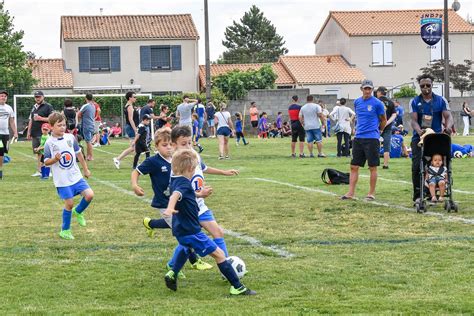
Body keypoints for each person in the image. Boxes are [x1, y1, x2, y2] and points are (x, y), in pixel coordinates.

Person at [162, 148, 256, 295]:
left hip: (180, 228)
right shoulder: (183, 184)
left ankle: (172, 273)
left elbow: (185, 193)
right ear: (190, 168)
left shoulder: (176, 179)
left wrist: (199, 194)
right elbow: (176, 195)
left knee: (186, 248)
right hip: (191, 231)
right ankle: (238, 287)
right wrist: (169, 208)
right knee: (219, 254)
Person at [43, 112, 94, 240]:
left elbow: (79, 154)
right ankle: (65, 230)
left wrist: (86, 169)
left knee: (89, 195)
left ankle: (78, 211)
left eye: (64, 125)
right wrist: (54, 159)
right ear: (51, 127)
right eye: (59, 125)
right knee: (69, 204)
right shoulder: (49, 143)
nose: (62, 127)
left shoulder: (70, 138)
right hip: (62, 180)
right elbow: (46, 162)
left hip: (75, 175)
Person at [410, 73, 453, 203]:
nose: (425, 88)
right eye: (422, 85)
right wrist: (419, 131)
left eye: (428, 85)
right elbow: (413, 120)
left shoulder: (441, 100)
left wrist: (448, 127)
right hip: (420, 137)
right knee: (417, 166)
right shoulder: (415, 101)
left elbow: (448, 116)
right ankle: (418, 195)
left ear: (432, 85)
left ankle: (435, 192)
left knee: (438, 165)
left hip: (437, 137)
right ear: (420, 86)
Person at [341, 79, 387, 201]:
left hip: (372, 138)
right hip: (358, 138)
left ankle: (371, 193)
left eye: (369, 89)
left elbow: (383, 119)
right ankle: (350, 193)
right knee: (354, 166)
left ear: (372, 90)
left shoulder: (377, 103)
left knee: (372, 167)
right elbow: (358, 117)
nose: (367, 91)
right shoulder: (357, 102)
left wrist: (380, 131)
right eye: (365, 88)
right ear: (361, 89)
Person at [27, 90, 54, 177]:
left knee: (46, 152)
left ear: (43, 97)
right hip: (35, 132)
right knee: (38, 152)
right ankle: (39, 170)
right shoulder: (34, 107)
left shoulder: (48, 106)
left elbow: (52, 119)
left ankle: (48, 170)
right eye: (36, 97)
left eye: (39, 97)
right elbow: (31, 120)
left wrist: (41, 118)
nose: (37, 98)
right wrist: (29, 131)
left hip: (44, 133)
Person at [113, 92, 139, 169]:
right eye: (134, 97)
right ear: (129, 98)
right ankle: (118, 159)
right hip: (131, 128)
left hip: (130, 127)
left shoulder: (129, 105)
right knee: (133, 147)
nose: (135, 98)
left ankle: (135, 163)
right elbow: (130, 119)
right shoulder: (129, 107)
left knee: (134, 148)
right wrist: (135, 129)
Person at [376, 86, 397, 169]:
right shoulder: (391, 102)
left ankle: (375, 163)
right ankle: (385, 164)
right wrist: (387, 123)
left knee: (375, 144)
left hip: (377, 126)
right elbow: (394, 114)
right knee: (386, 145)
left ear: (379, 92)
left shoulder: (376, 101)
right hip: (388, 127)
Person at [0, 90, 18, 180]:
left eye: (5, 96)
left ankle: (0, 169)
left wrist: (15, 132)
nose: (3, 97)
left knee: (3, 152)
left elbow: (11, 121)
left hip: (5, 133)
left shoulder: (9, 108)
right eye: (1, 96)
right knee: (0, 152)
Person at [78, 94, 96, 161]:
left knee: (88, 142)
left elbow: (79, 114)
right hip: (92, 124)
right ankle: (88, 156)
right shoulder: (93, 106)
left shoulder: (85, 105)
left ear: (86, 98)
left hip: (87, 125)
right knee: (88, 141)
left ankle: (91, 156)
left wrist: (80, 117)